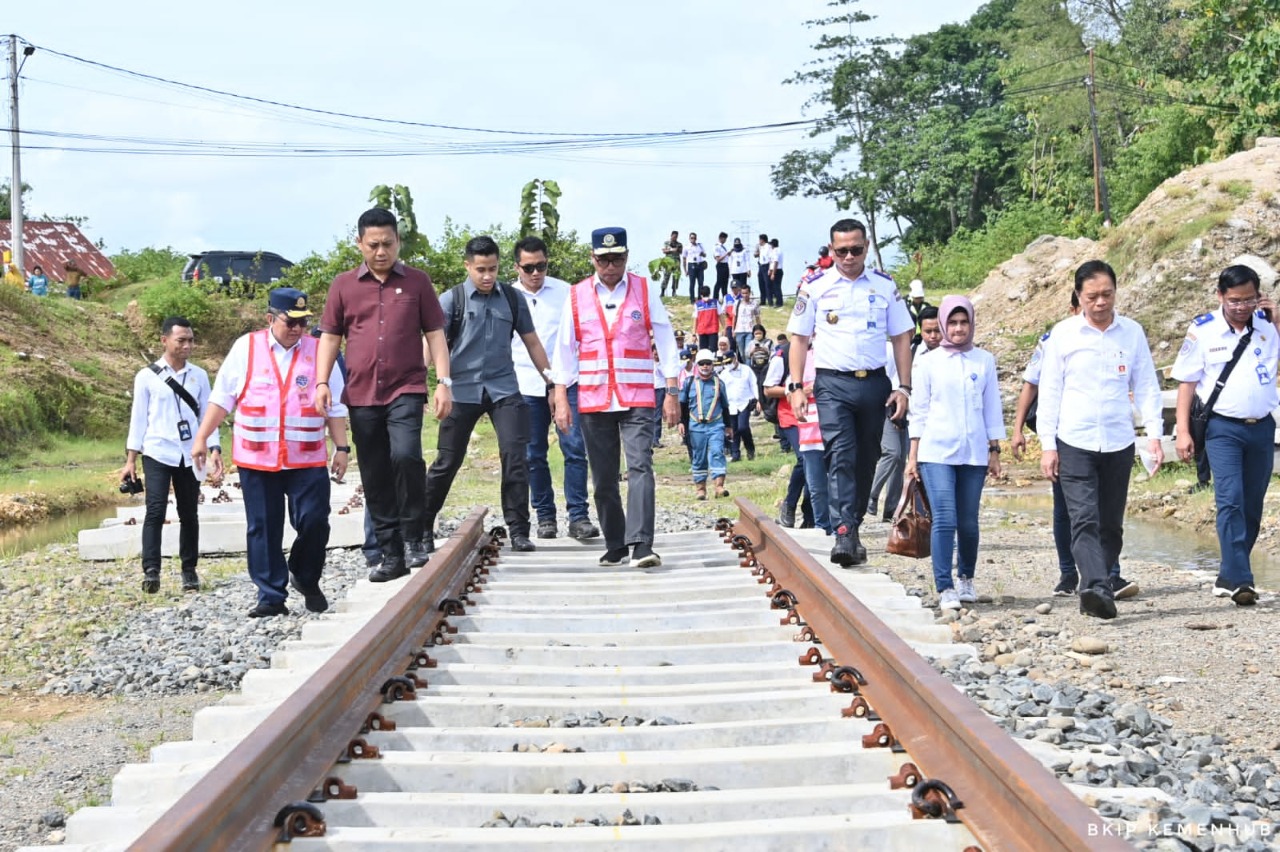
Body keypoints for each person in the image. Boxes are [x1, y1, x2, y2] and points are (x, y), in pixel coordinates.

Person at [192, 289, 349, 617]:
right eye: (289, 322)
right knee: (263, 526)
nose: (297, 329)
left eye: (303, 322)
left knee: (315, 521)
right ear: (269, 318)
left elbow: (335, 405)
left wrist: (342, 447)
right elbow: (222, 398)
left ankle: (305, 576)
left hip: (306, 457)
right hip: (257, 458)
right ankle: (270, 596)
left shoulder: (320, 351)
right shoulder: (246, 348)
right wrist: (203, 438)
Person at [315, 207, 452, 583]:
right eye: (373, 245)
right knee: (374, 473)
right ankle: (390, 552)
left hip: (406, 388)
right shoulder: (343, 285)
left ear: (398, 242)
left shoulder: (418, 282)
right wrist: (323, 381)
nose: (380, 252)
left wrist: (443, 382)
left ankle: (414, 536)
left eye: (388, 244)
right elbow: (330, 336)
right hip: (360, 394)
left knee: (407, 456)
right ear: (359, 243)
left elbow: (435, 335)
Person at [1037, 260, 1164, 620]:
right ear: (1078, 296)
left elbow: (1146, 387)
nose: (1100, 302)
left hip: (1118, 440)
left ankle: (1100, 581)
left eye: (1107, 294)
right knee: (1083, 519)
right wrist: (1048, 445)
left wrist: (1153, 435)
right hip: (1074, 440)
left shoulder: (1132, 333)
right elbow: (1050, 392)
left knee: (1110, 523)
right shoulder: (1062, 335)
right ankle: (1094, 588)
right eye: (1092, 296)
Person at [552, 227, 681, 569]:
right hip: (594, 399)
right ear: (593, 259)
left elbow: (666, 340)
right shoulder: (577, 295)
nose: (611, 265)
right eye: (604, 259)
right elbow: (564, 350)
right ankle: (616, 542)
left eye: (617, 258)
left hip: (637, 395)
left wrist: (671, 390)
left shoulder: (643, 289)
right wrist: (561, 398)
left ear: (626, 257)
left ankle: (641, 543)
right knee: (604, 475)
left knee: (640, 465)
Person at [788, 218, 914, 566]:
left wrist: (904, 387)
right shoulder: (816, 286)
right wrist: (796, 386)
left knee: (867, 458)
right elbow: (798, 339)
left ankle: (853, 524)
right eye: (841, 250)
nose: (848, 257)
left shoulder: (884, 286)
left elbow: (902, 336)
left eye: (855, 250)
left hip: (874, 383)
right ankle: (842, 530)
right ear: (831, 250)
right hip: (832, 384)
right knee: (840, 453)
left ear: (866, 248)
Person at [423, 236, 553, 553]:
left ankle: (519, 530)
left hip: (503, 388)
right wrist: (418, 384)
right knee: (447, 460)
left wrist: (551, 382)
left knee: (515, 457)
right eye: (480, 269)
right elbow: (431, 343)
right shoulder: (451, 300)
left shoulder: (511, 298)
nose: (486, 276)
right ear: (468, 266)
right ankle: (421, 527)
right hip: (461, 390)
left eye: (492, 269)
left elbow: (532, 342)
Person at [1010, 292, 1135, 598]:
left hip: (1105, 436)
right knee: (1068, 508)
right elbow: (1032, 383)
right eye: (1086, 304)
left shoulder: (1121, 335)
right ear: (1074, 308)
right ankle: (1069, 573)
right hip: (1067, 435)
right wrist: (1018, 430)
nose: (1096, 310)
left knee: (1106, 510)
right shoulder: (1056, 339)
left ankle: (1108, 574)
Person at [1172, 264, 1280, 607]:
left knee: (1252, 505)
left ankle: (1228, 574)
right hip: (1222, 428)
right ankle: (1242, 581)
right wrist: (1183, 432)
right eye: (1234, 300)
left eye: (1249, 300)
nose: (1241, 307)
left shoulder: (1266, 326)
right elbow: (1186, 384)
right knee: (1230, 500)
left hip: (1262, 427)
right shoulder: (1203, 330)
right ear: (1220, 296)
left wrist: (1276, 319)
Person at [905, 297, 1005, 610]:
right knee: (945, 518)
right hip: (936, 451)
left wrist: (994, 450)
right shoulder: (928, 362)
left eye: (964, 322)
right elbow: (918, 411)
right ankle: (944, 585)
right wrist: (913, 456)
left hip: (974, 453)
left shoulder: (984, 360)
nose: (958, 328)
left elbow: (992, 408)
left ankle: (966, 579)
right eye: (953, 323)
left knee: (969, 522)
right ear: (944, 325)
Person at [509, 237, 600, 542]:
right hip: (525, 386)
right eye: (529, 267)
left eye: (541, 266)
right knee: (534, 454)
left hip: (566, 384)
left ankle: (578, 515)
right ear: (517, 267)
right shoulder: (507, 296)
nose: (536, 273)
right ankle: (545, 517)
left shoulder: (566, 293)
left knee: (574, 449)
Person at [123, 316, 216, 595]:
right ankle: (151, 571)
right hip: (157, 450)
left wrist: (214, 449)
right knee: (155, 510)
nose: (187, 345)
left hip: (190, 452)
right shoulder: (146, 377)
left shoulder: (199, 375)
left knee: (189, 512)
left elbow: (207, 417)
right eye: (181, 340)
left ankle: (189, 570)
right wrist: (130, 460)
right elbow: (138, 420)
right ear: (165, 341)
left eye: (190, 340)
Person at [869, 305, 941, 522]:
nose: (933, 336)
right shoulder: (907, 351)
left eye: (937, 330)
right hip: (897, 411)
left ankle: (901, 509)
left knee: (913, 462)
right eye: (928, 331)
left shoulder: (954, 354)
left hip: (930, 417)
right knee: (895, 455)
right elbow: (889, 381)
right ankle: (871, 497)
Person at [766, 337, 831, 533]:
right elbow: (769, 388)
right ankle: (791, 504)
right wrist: (796, 389)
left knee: (822, 468)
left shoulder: (829, 354)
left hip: (821, 418)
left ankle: (811, 515)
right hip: (791, 417)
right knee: (805, 461)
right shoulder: (783, 355)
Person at [679, 349, 732, 499]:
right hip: (695, 426)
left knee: (717, 452)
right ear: (697, 365)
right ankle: (700, 489)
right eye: (702, 364)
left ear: (713, 365)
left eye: (708, 363)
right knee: (698, 456)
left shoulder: (719, 383)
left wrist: (728, 426)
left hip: (716, 424)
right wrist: (681, 423)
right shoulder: (689, 382)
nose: (705, 366)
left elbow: (725, 406)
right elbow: (682, 404)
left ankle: (719, 486)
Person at [720, 349, 758, 461]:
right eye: (725, 363)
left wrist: (757, 399)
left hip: (745, 402)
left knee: (743, 427)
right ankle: (735, 454)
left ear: (735, 358)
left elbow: (753, 384)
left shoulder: (746, 370)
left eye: (729, 361)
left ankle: (750, 449)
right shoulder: (724, 374)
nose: (728, 364)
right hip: (730, 405)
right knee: (734, 430)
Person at [732, 284, 761, 357]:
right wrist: (733, 330)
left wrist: (759, 328)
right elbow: (734, 317)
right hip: (739, 330)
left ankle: (748, 367)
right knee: (742, 354)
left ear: (749, 293)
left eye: (746, 293)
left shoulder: (754, 303)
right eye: (743, 293)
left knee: (748, 352)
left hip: (750, 330)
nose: (745, 295)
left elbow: (757, 317)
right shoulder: (737, 303)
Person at [692, 286, 724, 353]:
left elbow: (721, 316)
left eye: (707, 295)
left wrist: (724, 328)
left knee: (713, 351)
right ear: (701, 295)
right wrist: (694, 334)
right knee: (703, 352)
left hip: (713, 331)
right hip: (702, 331)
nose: (706, 298)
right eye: (704, 296)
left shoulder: (715, 303)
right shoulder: (697, 304)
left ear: (709, 294)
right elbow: (695, 320)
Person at [683, 232, 707, 305]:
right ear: (689, 238)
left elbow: (705, 254)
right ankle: (692, 299)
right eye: (691, 238)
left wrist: (702, 254)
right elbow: (684, 259)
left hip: (699, 265)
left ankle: (700, 298)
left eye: (694, 238)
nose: (693, 239)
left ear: (696, 238)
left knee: (701, 283)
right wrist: (685, 270)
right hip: (691, 265)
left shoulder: (700, 245)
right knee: (692, 283)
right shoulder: (686, 247)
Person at [660, 231, 683, 298]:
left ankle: (674, 291)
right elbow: (664, 251)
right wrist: (672, 250)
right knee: (666, 277)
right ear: (671, 235)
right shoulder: (667, 243)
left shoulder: (679, 244)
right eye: (674, 236)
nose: (675, 238)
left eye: (676, 237)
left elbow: (681, 251)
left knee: (676, 277)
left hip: (676, 262)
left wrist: (677, 250)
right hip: (668, 262)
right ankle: (662, 292)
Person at [712, 232, 731, 301]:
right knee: (719, 282)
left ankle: (725, 298)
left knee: (725, 283)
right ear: (721, 238)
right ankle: (715, 298)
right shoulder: (717, 246)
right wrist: (726, 254)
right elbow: (718, 259)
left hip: (725, 264)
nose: (725, 240)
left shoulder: (724, 246)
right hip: (721, 265)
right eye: (724, 238)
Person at [767, 238, 786, 307]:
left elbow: (776, 262)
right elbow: (771, 262)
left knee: (777, 287)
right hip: (774, 270)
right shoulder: (774, 250)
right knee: (774, 287)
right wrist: (769, 269)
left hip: (777, 270)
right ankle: (777, 301)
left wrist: (773, 273)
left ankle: (779, 302)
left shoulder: (776, 251)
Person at [755, 234, 772, 304]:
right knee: (761, 284)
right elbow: (757, 255)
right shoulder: (760, 247)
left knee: (767, 284)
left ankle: (770, 301)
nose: (759, 241)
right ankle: (763, 300)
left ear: (762, 240)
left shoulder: (768, 247)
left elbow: (771, 258)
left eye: (760, 239)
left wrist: (770, 269)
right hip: (761, 266)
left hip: (766, 266)